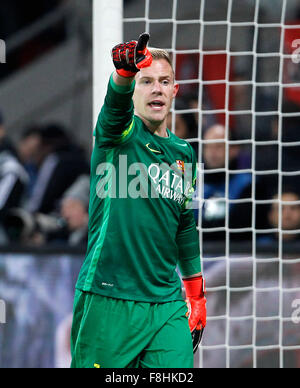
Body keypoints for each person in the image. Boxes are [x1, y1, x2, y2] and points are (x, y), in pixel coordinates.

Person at [70, 33, 207, 368]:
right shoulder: (117, 136)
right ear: (134, 89)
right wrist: (123, 75)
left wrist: (195, 294)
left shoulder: (186, 153)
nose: (156, 88)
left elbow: (185, 228)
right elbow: (114, 111)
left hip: (166, 304)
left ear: (175, 91)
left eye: (164, 81)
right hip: (108, 296)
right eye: (146, 81)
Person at [199, 124, 253, 242]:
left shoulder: (248, 184)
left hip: (235, 254)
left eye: (218, 146)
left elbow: (240, 228)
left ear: (234, 150)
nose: (212, 153)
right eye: (208, 147)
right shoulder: (192, 183)